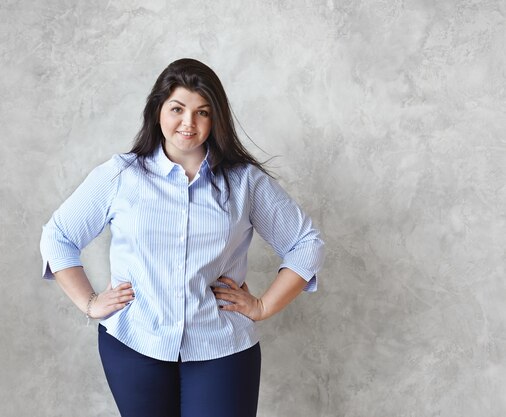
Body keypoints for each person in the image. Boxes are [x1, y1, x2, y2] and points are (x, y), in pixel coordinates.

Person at [40, 58, 325, 417]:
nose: (188, 123)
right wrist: (90, 302)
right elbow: (58, 236)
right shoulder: (120, 175)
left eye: (202, 112)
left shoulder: (244, 182)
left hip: (221, 348)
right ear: (158, 109)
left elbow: (307, 243)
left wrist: (264, 306)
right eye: (177, 108)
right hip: (134, 346)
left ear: (215, 118)